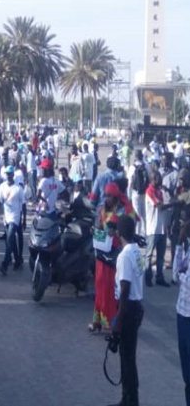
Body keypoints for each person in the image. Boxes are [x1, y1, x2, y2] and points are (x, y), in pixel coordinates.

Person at [91, 182, 138, 333]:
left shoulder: (125, 211)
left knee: (111, 289)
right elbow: (99, 227)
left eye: (110, 196)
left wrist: (116, 233)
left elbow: (130, 229)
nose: (107, 198)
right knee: (100, 287)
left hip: (115, 256)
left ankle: (111, 322)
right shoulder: (102, 210)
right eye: (106, 195)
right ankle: (97, 320)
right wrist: (96, 229)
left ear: (116, 196)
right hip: (102, 256)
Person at [109, 215, 144, 406]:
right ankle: (128, 398)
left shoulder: (124, 256)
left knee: (127, 359)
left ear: (119, 233)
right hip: (137, 306)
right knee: (129, 357)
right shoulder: (137, 251)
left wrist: (118, 323)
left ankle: (130, 400)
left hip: (128, 309)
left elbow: (124, 290)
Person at [174, 210, 190, 406]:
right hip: (182, 313)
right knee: (186, 373)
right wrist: (179, 243)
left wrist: (182, 274)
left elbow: (184, 278)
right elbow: (176, 273)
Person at [0, 166, 25, 274]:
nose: (8, 176)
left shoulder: (18, 188)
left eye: (10, 174)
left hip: (15, 217)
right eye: (7, 174)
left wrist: (23, 220)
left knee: (9, 238)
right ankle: (17, 260)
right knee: (11, 239)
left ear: (13, 175)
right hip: (6, 218)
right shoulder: (2, 187)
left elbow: (24, 205)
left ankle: (5, 263)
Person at [145, 171, 170, 288]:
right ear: (151, 179)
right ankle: (148, 277)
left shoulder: (159, 191)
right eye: (156, 177)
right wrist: (175, 203)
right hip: (152, 229)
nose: (159, 179)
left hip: (161, 228)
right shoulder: (150, 191)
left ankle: (159, 277)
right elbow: (160, 206)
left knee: (160, 256)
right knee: (149, 256)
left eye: (159, 177)